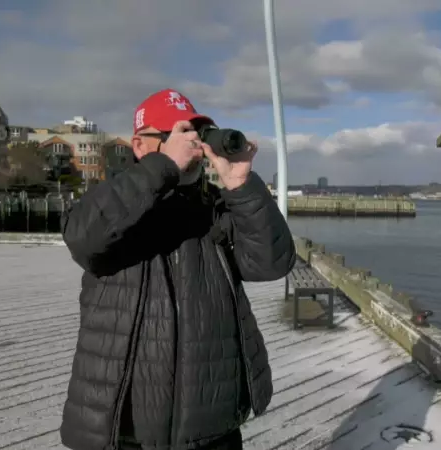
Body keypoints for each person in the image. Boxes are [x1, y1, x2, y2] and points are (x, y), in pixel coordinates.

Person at [58, 89, 296, 450]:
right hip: (124, 426)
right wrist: (164, 167)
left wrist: (242, 187)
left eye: (197, 136)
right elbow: (83, 237)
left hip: (213, 425)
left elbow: (272, 263)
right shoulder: (112, 202)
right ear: (140, 145)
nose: (191, 145)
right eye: (176, 135)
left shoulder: (216, 211)